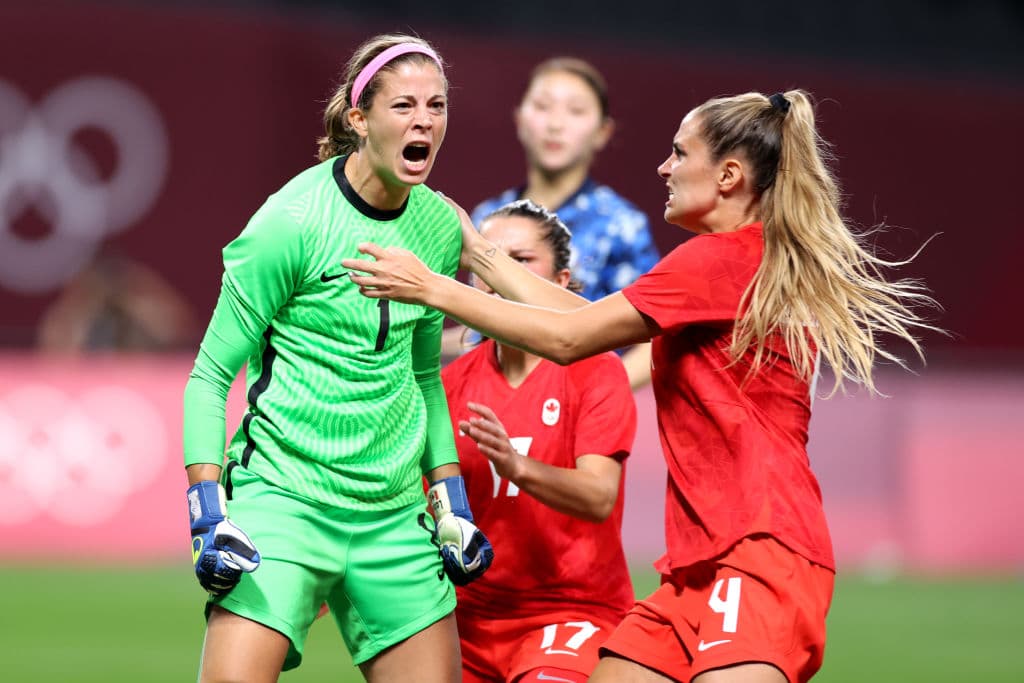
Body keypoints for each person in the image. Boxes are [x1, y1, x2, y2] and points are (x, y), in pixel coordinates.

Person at [344, 89, 939, 682]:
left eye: (680, 153)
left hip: (759, 547)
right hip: (696, 563)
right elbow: (584, 319)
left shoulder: (717, 260)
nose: (664, 167)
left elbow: (569, 340)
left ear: (728, 175)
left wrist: (436, 289)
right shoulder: (728, 261)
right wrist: (478, 251)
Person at [181, 34, 493, 683]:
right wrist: (208, 513)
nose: (424, 121)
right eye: (404, 105)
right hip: (285, 503)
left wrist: (452, 503)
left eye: (436, 106)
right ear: (358, 119)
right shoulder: (289, 222)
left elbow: (422, 375)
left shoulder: (439, 227)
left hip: (393, 516)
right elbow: (211, 376)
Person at [442, 199, 637, 683]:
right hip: (465, 619)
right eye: (485, 258)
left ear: (561, 283)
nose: (497, 274)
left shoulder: (597, 371)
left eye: (520, 260)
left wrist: (517, 466)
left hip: (571, 611)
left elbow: (598, 496)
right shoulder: (449, 384)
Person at [446, 57, 660, 389]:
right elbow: (481, 328)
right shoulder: (486, 216)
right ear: (519, 119)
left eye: (575, 111)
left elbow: (654, 329)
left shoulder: (620, 225)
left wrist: (603, 394)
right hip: (489, 404)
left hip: (573, 411)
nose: (555, 124)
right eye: (543, 107)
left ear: (603, 132)